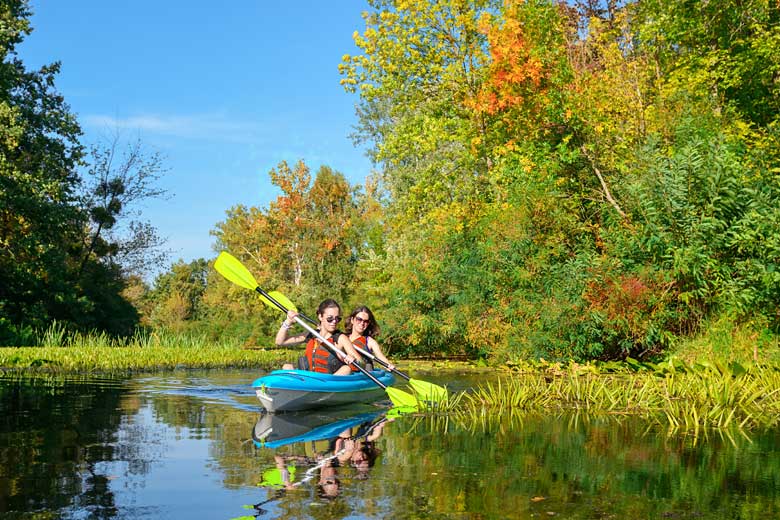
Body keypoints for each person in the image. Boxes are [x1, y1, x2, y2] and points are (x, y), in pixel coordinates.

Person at [275, 298, 359, 375]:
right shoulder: (311, 334)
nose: (334, 321)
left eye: (337, 318)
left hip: (330, 382)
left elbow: (360, 361)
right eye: (330, 318)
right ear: (320, 316)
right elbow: (280, 341)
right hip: (309, 379)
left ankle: (325, 389)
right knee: (287, 367)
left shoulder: (340, 338)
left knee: (346, 369)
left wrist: (353, 359)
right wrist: (288, 321)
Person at [344, 305, 395, 372]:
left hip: (363, 375)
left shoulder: (370, 342)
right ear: (352, 320)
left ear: (368, 324)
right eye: (359, 319)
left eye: (366, 321)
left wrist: (388, 365)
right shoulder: (343, 338)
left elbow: (380, 356)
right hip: (347, 373)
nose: (362, 323)